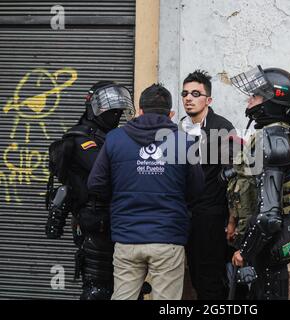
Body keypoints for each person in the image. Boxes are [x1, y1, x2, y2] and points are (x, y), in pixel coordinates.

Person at [87, 83, 205, 300]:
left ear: (140, 111)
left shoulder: (115, 138)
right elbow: (197, 189)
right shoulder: (185, 143)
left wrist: (122, 194)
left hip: (126, 238)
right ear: (171, 114)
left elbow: (95, 184)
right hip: (168, 239)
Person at [224, 66, 290, 300]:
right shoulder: (281, 134)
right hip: (270, 246)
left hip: (271, 250)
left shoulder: (274, 140)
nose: (249, 100)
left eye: (255, 95)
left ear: (272, 100)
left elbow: (269, 217)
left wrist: (245, 251)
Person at [45, 81, 133, 299]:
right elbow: (105, 171)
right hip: (95, 221)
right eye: (112, 111)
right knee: (98, 288)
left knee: (124, 285)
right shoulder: (82, 139)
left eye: (119, 112)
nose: (116, 116)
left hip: (117, 221)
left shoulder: (109, 136)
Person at [179, 70, 235, 300]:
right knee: (190, 274)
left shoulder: (222, 128)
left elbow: (234, 178)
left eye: (195, 93)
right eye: (184, 93)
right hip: (183, 216)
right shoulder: (178, 129)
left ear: (208, 100)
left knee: (210, 278)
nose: (188, 98)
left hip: (212, 216)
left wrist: (233, 220)